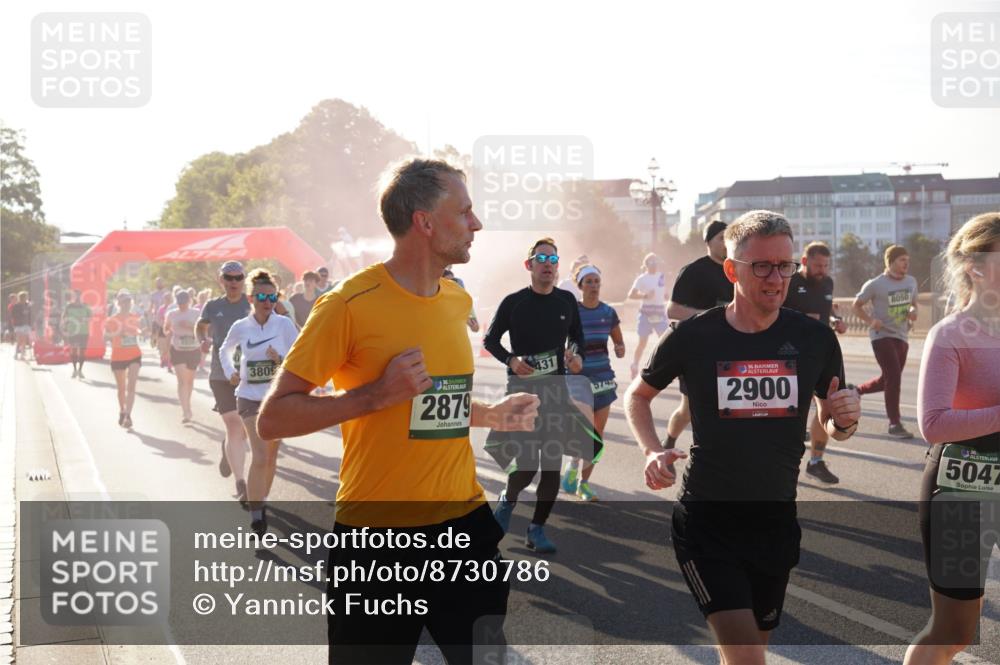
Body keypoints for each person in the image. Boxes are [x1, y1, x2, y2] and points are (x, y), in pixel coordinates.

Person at [257, 157, 538, 664]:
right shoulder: (348, 304)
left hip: (464, 529)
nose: (477, 224)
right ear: (425, 222)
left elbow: (429, 399)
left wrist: (490, 414)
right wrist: (372, 397)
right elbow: (273, 418)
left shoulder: (455, 300)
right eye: (465, 212)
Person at [624, 210, 860, 665]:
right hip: (708, 523)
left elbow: (833, 422)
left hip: (774, 523)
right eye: (762, 266)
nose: (776, 278)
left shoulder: (814, 339)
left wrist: (843, 422)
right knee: (748, 658)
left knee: (754, 651)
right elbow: (637, 397)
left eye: (785, 265)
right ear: (731, 269)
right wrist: (652, 450)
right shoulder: (693, 336)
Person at [905, 212, 1000, 665]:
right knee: (953, 632)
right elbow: (934, 424)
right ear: (975, 268)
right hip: (962, 487)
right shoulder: (950, 334)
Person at [484, 237, 594, 554]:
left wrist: (577, 357)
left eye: (553, 259)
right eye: (541, 257)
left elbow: (578, 338)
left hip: (555, 392)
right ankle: (507, 501)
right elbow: (491, 340)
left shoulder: (566, 302)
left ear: (557, 267)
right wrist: (511, 360)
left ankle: (537, 530)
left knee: (551, 466)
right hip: (522, 393)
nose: (548, 263)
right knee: (528, 464)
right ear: (529, 265)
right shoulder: (513, 302)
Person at [218, 269, 299, 536]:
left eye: (272, 296)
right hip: (249, 397)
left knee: (271, 456)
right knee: (261, 454)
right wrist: (229, 370)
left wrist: (280, 358)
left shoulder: (284, 325)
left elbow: (299, 356)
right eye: (262, 296)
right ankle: (257, 514)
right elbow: (224, 349)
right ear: (251, 298)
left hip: (277, 398)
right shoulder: (241, 327)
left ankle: (260, 499)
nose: (267, 301)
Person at [658, 220, 734, 465]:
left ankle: (717, 455)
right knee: (689, 410)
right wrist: (708, 316)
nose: (726, 243)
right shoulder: (693, 271)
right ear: (708, 241)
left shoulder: (737, 270)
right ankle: (669, 441)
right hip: (697, 350)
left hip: (730, 350)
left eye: (729, 238)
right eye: (721, 238)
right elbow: (672, 310)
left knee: (729, 405)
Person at [782, 241, 849, 484]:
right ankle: (781, 463)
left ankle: (816, 462)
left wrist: (836, 319)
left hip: (822, 354)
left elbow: (827, 307)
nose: (823, 270)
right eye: (818, 265)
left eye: (826, 265)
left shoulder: (828, 283)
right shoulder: (789, 282)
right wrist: (801, 320)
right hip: (789, 355)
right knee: (791, 414)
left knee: (827, 406)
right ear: (804, 262)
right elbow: (772, 313)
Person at [561, 264, 624, 501]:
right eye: (588, 282)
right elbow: (559, 340)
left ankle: (583, 483)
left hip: (604, 378)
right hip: (577, 378)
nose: (594, 286)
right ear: (580, 285)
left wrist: (620, 348)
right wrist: (565, 354)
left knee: (597, 433)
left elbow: (618, 343)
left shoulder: (608, 312)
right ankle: (574, 462)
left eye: (597, 281)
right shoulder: (571, 312)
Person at [197, 262, 252, 503]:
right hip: (221, 374)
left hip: (250, 375)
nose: (233, 282)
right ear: (221, 280)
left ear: (244, 280)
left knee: (245, 429)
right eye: (228, 278)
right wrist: (203, 340)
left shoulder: (252, 304)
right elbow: (201, 326)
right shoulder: (213, 306)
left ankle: (228, 448)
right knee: (233, 424)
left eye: (238, 277)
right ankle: (241, 482)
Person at [852, 244, 919, 438]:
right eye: (902, 260)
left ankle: (856, 390)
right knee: (894, 377)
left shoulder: (911, 282)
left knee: (888, 379)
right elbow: (856, 306)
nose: (906, 263)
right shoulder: (876, 284)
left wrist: (913, 312)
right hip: (881, 336)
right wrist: (871, 321)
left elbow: (914, 305)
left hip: (901, 336)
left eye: (907, 260)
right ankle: (894, 424)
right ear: (890, 262)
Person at [104, 291, 144, 429]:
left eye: (128, 301)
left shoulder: (135, 317)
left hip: (134, 354)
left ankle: (128, 415)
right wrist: (117, 333)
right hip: (118, 356)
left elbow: (140, 330)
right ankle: (122, 410)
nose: (126, 304)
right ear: (119, 303)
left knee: (131, 386)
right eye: (123, 301)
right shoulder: (112, 319)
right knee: (121, 388)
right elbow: (105, 337)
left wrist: (140, 331)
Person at [627, 253, 669, 379]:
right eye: (652, 263)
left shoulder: (661, 276)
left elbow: (664, 292)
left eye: (656, 263)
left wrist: (666, 296)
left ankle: (665, 368)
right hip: (646, 313)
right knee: (642, 342)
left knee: (665, 341)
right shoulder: (641, 279)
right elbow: (631, 295)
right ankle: (634, 365)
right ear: (647, 265)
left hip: (660, 313)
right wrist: (644, 296)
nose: (655, 266)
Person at [164, 290, 202, 423]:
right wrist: (166, 348)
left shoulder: (196, 313)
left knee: (190, 381)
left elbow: (203, 330)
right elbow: (166, 329)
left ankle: (188, 404)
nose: (182, 306)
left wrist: (190, 326)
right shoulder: (172, 314)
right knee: (181, 381)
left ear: (189, 301)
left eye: (184, 303)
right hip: (178, 349)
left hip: (193, 349)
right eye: (179, 303)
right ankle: (185, 411)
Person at [62, 290, 92, 378]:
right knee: (74, 350)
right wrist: (65, 327)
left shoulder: (85, 306)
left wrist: (83, 320)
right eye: (75, 296)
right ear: (73, 297)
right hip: (73, 332)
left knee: (82, 352)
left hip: (83, 331)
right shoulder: (69, 306)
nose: (77, 297)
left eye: (79, 295)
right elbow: (64, 317)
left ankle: (80, 370)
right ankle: (74, 369)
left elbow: (90, 317)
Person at [443, 267, 480, 332]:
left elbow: (476, 328)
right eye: (446, 282)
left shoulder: (465, 301)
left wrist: (472, 323)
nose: (450, 284)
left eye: (452, 281)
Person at [155, 291, 174, 372]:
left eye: (169, 298)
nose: (167, 300)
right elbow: (158, 318)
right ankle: (163, 359)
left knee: (170, 348)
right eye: (166, 299)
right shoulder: (161, 308)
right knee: (163, 347)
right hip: (163, 329)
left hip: (172, 330)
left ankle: (169, 364)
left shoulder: (174, 307)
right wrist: (163, 324)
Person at [11, 292, 32, 360]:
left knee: (24, 340)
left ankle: (22, 355)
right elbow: (13, 315)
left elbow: (30, 315)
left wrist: (31, 323)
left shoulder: (27, 305)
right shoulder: (16, 306)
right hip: (19, 325)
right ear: (22, 298)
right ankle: (16, 354)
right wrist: (22, 314)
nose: (27, 298)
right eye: (26, 297)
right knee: (19, 340)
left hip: (26, 325)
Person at [149, 278, 168, 348]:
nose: (159, 284)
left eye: (160, 282)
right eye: (157, 282)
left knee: (163, 334)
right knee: (154, 333)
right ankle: (154, 341)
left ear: (163, 283)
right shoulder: (153, 294)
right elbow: (151, 306)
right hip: (156, 317)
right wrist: (149, 312)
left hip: (165, 317)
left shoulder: (167, 293)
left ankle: (162, 345)